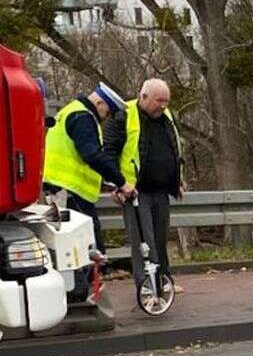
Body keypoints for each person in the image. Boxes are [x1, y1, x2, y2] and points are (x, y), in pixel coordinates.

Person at [43, 83, 129, 299]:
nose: (106, 117)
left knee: (72, 245)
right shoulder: (83, 117)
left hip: (60, 189)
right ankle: (80, 295)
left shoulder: (70, 111)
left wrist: (106, 183)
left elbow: (76, 157)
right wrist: (121, 181)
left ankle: (80, 292)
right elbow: (91, 155)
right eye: (107, 112)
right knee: (86, 246)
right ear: (99, 103)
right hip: (71, 192)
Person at [104, 78, 183, 294]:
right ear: (144, 96)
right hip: (136, 191)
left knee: (160, 238)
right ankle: (146, 284)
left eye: (166, 101)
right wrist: (116, 185)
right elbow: (109, 153)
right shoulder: (123, 115)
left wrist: (177, 181)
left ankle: (163, 280)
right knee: (143, 241)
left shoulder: (166, 117)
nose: (163, 105)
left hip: (162, 189)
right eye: (159, 100)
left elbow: (174, 149)